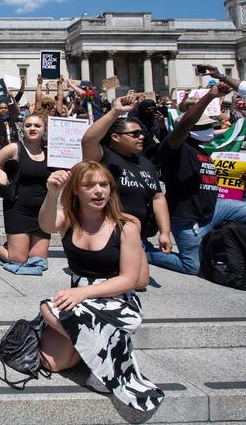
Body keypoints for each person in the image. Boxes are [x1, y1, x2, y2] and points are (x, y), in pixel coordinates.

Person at [36, 162, 161, 411]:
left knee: (49, 309)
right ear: (76, 190)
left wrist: (83, 292)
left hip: (116, 299)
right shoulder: (69, 220)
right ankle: (99, 351)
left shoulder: (126, 226)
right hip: (78, 300)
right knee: (53, 362)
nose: (98, 191)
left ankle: (101, 359)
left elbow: (129, 280)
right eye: (89, 185)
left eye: (104, 185)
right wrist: (52, 193)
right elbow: (46, 225)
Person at [157, 79, 246, 274]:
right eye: (202, 127)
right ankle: (145, 252)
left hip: (215, 210)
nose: (209, 130)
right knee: (192, 267)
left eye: (210, 126)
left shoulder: (202, 149)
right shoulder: (175, 148)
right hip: (189, 221)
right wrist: (210, 96)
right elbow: (183, 126)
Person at [82, 94, 171, 273]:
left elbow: (158, 198)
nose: (141, 137)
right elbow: (88, 140)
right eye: (134, 134)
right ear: (115, 137)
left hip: (137, 236)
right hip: (108, 234)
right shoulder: (104, 158)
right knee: (122, 279)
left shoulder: (146, 163)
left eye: (142, 133)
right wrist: (115, 112)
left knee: (140, 281)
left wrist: (165, 232)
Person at [0, 114, 51, 267]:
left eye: (37, 126)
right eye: (28, 125)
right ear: (23, 128)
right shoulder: (15, 148)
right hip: (17, 208)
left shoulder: (50, 153)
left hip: (42, 211)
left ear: (44, 129)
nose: (32, 128)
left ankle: (13, 244)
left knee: (37, 260)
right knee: (18, 260)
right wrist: (1, 174)